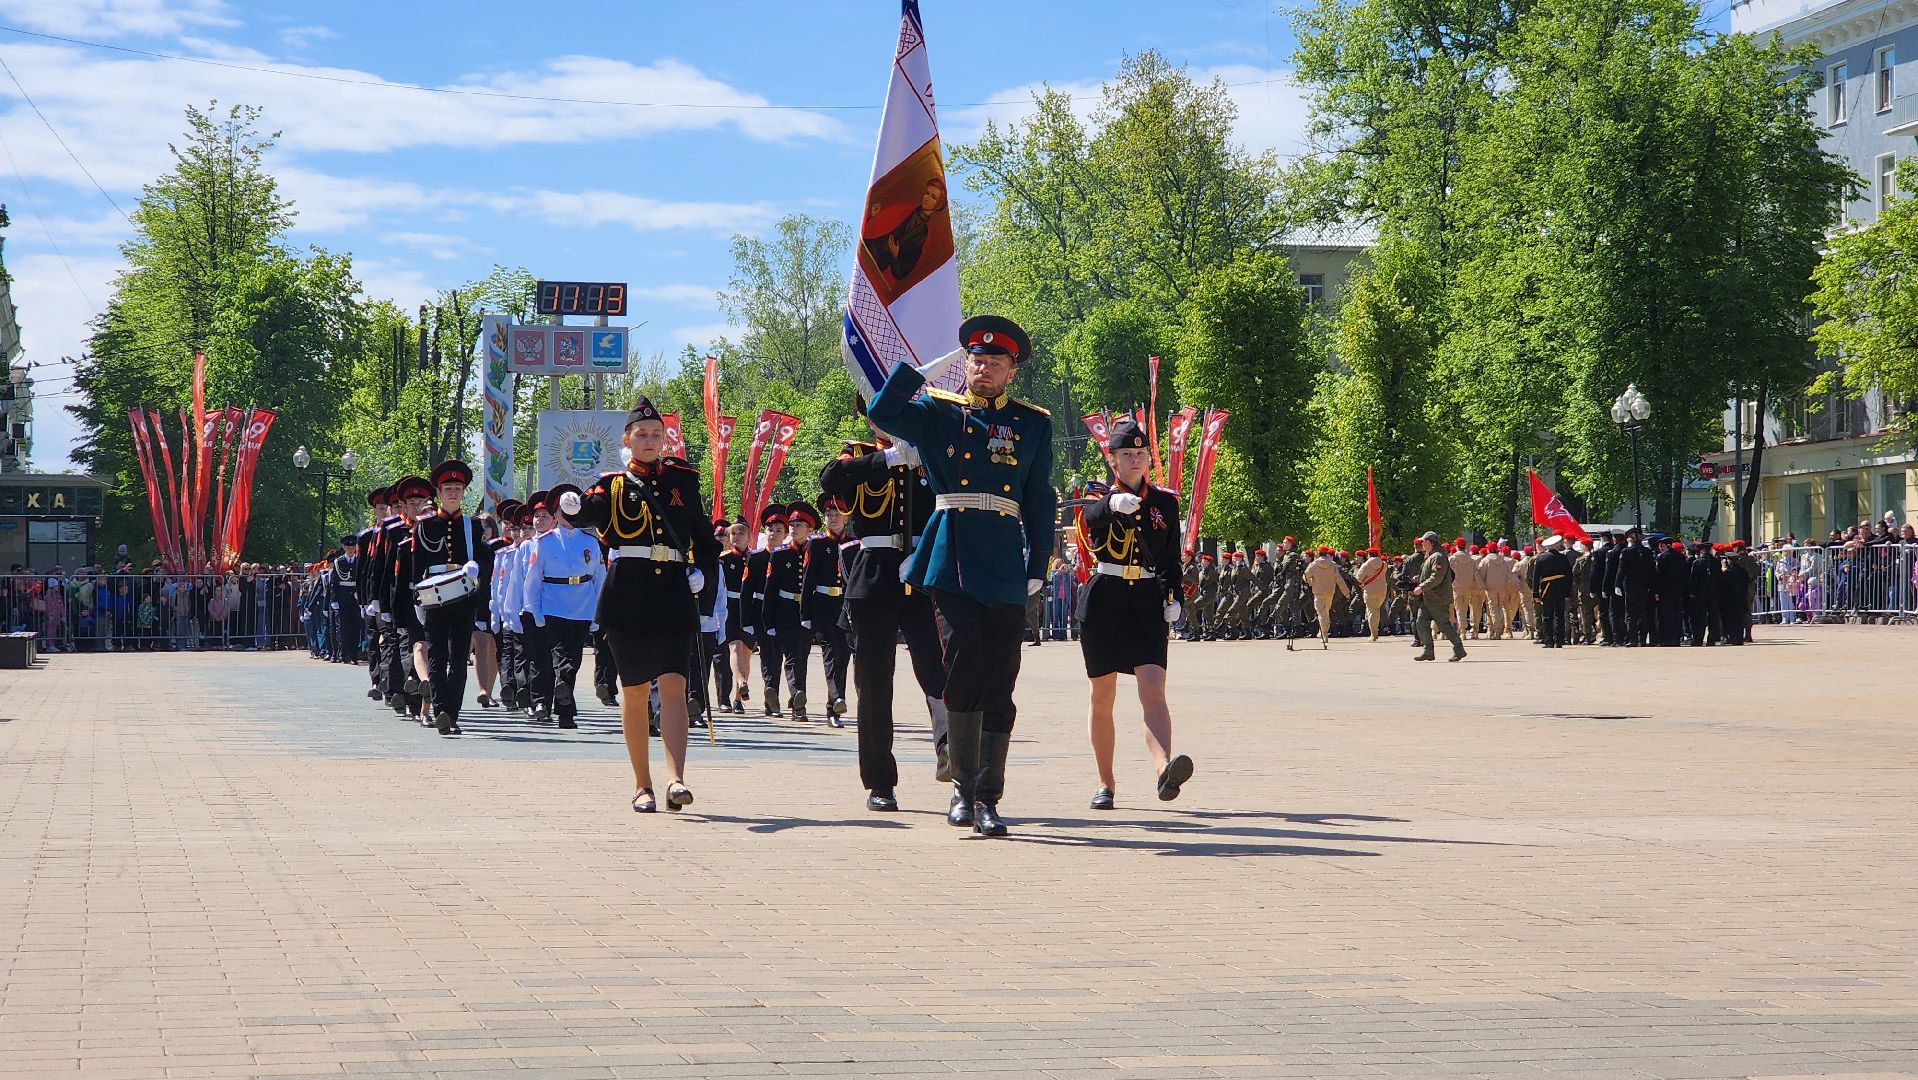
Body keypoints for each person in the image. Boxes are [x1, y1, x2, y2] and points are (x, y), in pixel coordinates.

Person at [866, 313, 1056, 838]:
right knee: (965, 663)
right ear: (965, 364)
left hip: (1002, 558)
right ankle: (964, 789)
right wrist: (919, 371)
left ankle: (990, 797)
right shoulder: (936, 412)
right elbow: (884, 410)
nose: (985, 367)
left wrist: (1038, 564)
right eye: (977, 359)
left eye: (997, 361)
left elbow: (1040, 497)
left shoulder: (1031, 422)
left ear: (1012, 371)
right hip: (951, 556)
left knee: (1003, 677)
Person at [561, 395, 721, 813]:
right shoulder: (613, 484)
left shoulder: (683, 481)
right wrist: (571, 506)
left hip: (672, 590)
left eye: (656, 434)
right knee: (633, 692)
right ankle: (642, 784)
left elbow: (704, 539)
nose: (650, 440)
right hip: (628, 593)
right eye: (642, 434)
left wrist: (703, 574)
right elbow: (589, 512)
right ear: (627, 440)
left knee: (674, 685)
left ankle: (675, 779)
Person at [818, 416, 949, 812]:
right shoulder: (859, 455)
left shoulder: (934, 450)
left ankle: (951, 750)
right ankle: (880, 781)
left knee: (940, 668)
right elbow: (830, 479)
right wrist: (889, 459)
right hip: (874, 571)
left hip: (923, 568)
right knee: (874, 682)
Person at [1074, 417, 1192, 810]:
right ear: (1113, 459)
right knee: (1102, 695)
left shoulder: (1165, 502)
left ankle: (1164, 770)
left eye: (1141, 454)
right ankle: (1105, 782)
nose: (1136, 460)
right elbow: (1088, 521)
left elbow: (1170, 557)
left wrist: (1175, 597)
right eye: (1127, 454)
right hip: (1105, 597)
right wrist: (1110, 503)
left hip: (1145, 599)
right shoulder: (1098, 496)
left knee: (1153, 689)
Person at [402, 460, 493, 736]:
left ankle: (453, 713)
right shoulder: (425, 526)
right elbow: (417, 567)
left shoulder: (473, 526)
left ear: (464, 492)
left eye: (458, 488)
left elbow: (486, 562)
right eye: (448, 488)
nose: (453, 492)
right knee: (437, 656)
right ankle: (441, 709)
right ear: (439, 493)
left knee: (459, 657)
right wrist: (416, 600)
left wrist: (477, 569)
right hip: (434, 597)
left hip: (463, 597)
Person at [523, 484, 603, 730]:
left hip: (582, 604)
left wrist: (599, 612)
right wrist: (533, 609)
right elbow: (533, 578)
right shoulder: (545, 542)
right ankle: (566, 712)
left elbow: (599, 577)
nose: (568, 517)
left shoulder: (590, 541)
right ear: (556, 514)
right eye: (563, 512)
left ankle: (564, 694)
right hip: (553, 603)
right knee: (561, 655)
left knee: (575, 658)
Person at [801, 494, 854, 726]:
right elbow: (808, 579)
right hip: (822, 603)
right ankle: (837, 698)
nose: (832, 518)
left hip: (843, 604)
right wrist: (805, 614)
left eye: (837, 515)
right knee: (830, 652)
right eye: (829, 515)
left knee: (843, 655)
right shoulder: (817, 543)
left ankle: (833, 706)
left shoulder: (854, 544)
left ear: (846, 517)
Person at [765, 501, 815, 721]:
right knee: (791, 656)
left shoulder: (817, 550)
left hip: (808, 610)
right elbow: (771, 590)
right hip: (785, 610)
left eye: (798, 525)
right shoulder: (780, 554)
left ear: (810, 529)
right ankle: (797, 698)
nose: (793, 529)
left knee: (800, 655)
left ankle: (797, 700)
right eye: (792, 525)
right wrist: (769, 622)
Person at [744, 506, 791, 718]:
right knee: (769, 655)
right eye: (770, 529)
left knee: (781, 654)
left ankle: (773, 694)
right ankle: (771, 695)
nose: (773, 533)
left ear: (786, 534)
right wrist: (746, 619)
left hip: (783, 611)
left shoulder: (789, 557)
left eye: (778, 530)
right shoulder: (756, 558)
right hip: (761, 611)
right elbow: (746, 591)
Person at [1411, 531, 1466, 662]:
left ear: (1430, 542)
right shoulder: (1431, 556)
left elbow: (1437, 577)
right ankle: (1428, 650)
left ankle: (1459, 649)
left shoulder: (1438, 556)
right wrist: (1419, 579)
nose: (1422, 544)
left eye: (1423, 541)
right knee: (1421, 621)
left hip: (1438, 598)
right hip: (1428, 597)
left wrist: (1421, 586)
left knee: (1444, 625)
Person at [717, 519, 753, 714]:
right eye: (733, 534)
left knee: (746, 652)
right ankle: (742, 681)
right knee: (735, 647)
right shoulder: (724, 559)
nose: (736, 537)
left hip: (749, 607)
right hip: (730, 606)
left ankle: (738, 698)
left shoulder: (755, 558)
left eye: (741, 533)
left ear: (749, 537)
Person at [1302, 546, 1349, 649]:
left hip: (1318, 592)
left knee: (1321, 613)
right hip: (1330, 592)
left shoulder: (1313, 565)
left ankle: (1324, 634)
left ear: (1318, 554)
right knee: (1325, 612)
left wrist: (1310, 583)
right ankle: (1323, 631)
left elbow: (1306, 575)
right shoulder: (1332, 565)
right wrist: (1346, 592)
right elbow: (1339, 579)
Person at [1532, 535, 1573, 648]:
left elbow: (1536, 577)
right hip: (1560, 588)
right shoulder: (1563, 558)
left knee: (1547, 615)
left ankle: (1548, 640)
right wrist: (1568, 592)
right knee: (1559, 614)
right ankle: (1559, 640)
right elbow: (1569, 576)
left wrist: (1535, 593)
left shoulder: (1541, 558)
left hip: (1547, 588)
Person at [329, 535, 362, 665]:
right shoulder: (339, 562)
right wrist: (334, 599)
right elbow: (334, 582)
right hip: (342, 596)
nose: (350, 549)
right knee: (343, 627)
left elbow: (361, 579)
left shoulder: (359, 560)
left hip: (355, 597)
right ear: (343, 547)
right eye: (348, 547)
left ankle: (353, 655)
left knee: (355, 627)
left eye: (352, 546)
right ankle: (343, 654)